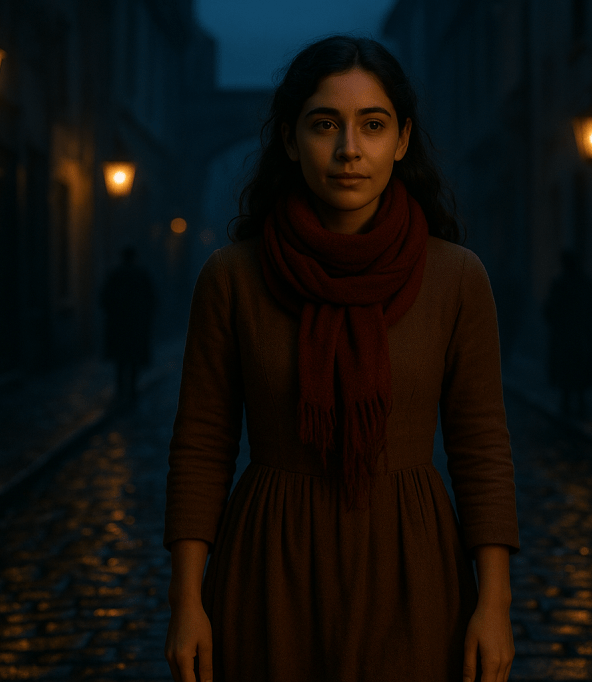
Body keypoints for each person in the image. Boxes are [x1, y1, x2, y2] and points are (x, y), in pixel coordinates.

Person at [163, 36, 519, 682]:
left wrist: (495, 602)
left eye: (373, 126)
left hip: (414, 563)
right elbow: (201, 445)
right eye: (325, 124)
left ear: (402, 141)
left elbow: (481, 446)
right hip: (270, 560)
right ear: (292, 141)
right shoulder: (232, 279)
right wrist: (186, 600)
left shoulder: (457, 279)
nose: (349, 150)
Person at [543, 249, 592, 419]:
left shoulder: (561, 282)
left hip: (567, 333)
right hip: (576, 333)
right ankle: (575, 401)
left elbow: (550, 309)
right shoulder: (583, 282)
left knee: (569, 366)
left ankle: (569, 400)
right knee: (576, 365)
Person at [99, 246, 156, 404]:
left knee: (121, 359)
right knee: (133, 358)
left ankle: (121, 388)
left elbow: (104, 299)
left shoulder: (116, 275)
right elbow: (152, 300)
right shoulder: (140, 275)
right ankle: (131, 389)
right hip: (135, 326)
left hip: (119, 326)